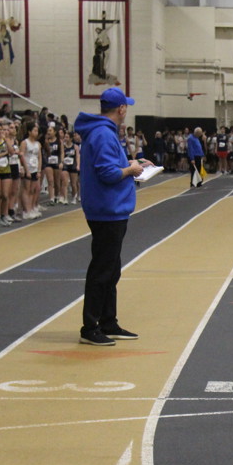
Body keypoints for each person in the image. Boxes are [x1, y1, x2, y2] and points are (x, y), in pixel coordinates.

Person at [75, 87, 150, 346]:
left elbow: (110, 166)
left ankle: (108, 321)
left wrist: (134, 164)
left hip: (109, 208)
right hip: (107, 210)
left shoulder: (101, 132)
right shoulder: (104, 134)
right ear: (121, 109)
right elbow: (108, 173)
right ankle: (90, 326)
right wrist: (131, 170)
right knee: (103, 269)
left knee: (111, 269)